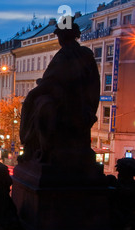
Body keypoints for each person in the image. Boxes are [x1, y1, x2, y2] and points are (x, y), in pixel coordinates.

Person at [19, 18, 100, 169]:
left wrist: (37, 90)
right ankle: (33, 147)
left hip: (69, 102)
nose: (59, 39)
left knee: (32, 102)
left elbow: (53, 81)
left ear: (63, 37)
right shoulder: (84, 53)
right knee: (40, 103)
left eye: (60, 36)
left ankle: (31, 146)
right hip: (80, 102)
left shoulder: (65, 55)